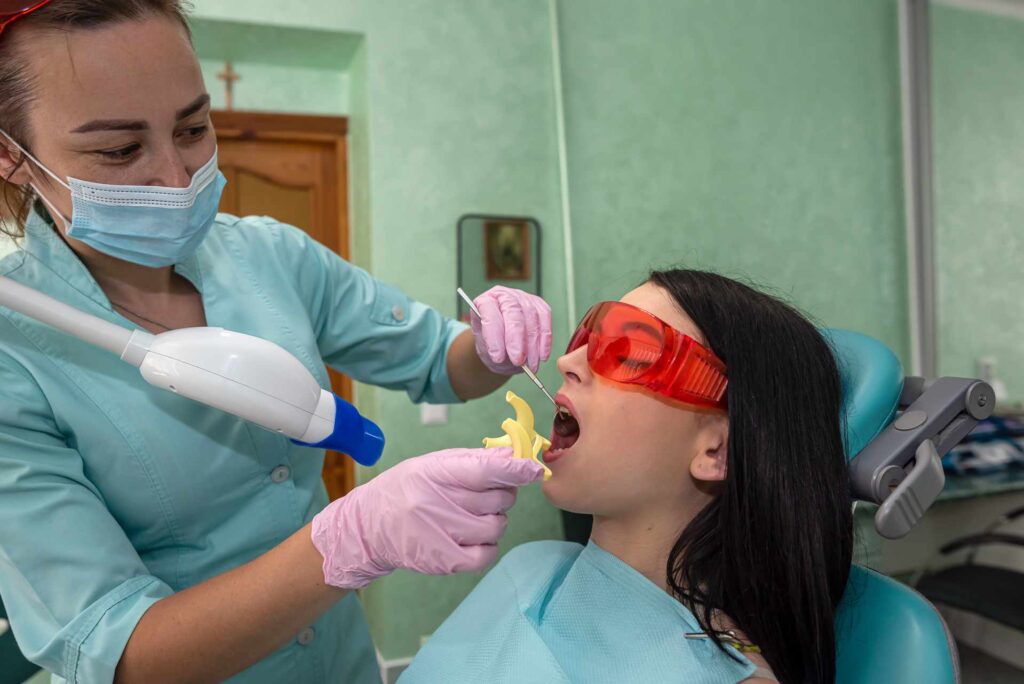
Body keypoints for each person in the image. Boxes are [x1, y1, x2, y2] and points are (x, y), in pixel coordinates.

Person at [0, 1, 553, 682]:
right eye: (119, 149)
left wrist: (489, 346)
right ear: (10, 153)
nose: (177, 178)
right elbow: (119, 652)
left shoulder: (268, 256)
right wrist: (350, 540)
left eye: (194, 128)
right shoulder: (14, 353)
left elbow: (440, 363)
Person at [402, 269, 854, 684]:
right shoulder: (531, 566)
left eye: (629, 352)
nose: (568, 361)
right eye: (586, 337)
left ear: (716, 450)